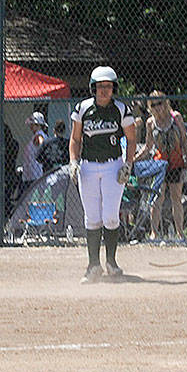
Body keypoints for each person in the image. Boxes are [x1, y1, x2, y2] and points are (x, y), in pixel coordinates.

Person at [68, 65, 137, 281]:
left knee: (110, 215)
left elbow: (132, 138)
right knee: (92, 217)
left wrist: (128, 164)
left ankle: (111, 262)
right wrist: (73, 161)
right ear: (93, 88)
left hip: (112, 166)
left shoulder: (120, 109)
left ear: (113, 88)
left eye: (108, 86)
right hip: (88, 166)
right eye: (99, 86)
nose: (104, 90)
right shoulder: (83, 108)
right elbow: (75, 139)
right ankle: (93, 266)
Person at [137, 90, 187, 243]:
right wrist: (134, 158)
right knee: (157, 197)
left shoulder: (176, 117)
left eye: (159, 103)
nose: (157, 108)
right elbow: (148, 146)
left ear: (165, 103)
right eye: (153, 105)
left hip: (176, 162)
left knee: (176, 197)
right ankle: (154, 233)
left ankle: (180, 233)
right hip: (159, 164)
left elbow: (184, 141)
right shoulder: (150, 123)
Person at [19, 112, 47, 193]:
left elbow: (42, 143)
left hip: (35, 174)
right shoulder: (36, 136)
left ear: (38, 125)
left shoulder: (39, 135)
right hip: (32, 173)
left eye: (33, 124)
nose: (30, 126)